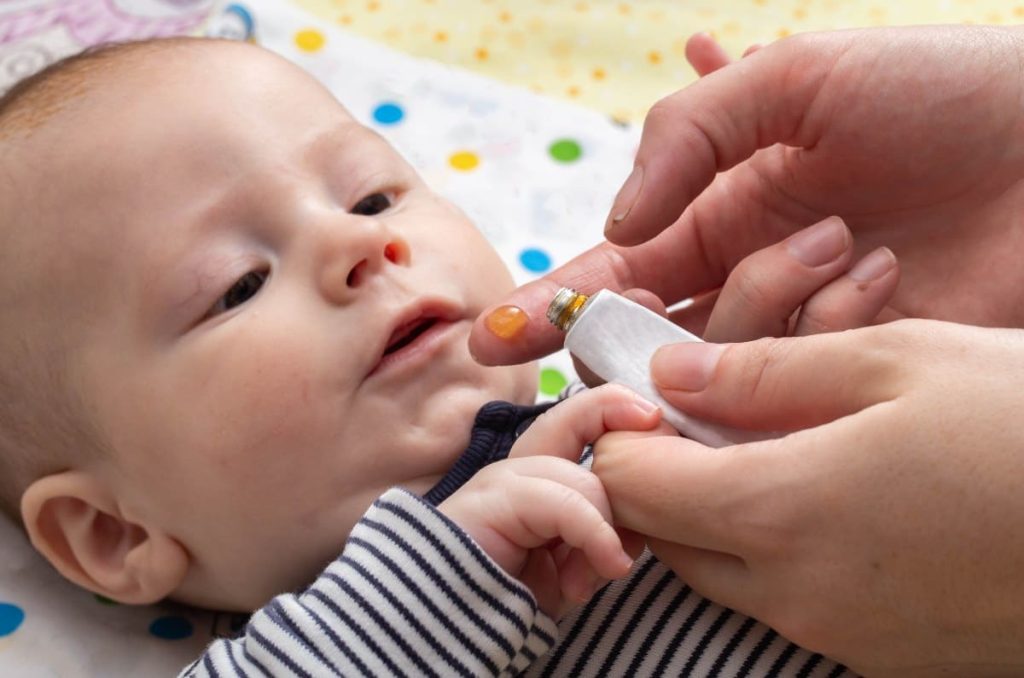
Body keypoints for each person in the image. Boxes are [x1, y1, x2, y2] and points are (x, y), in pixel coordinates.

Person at [0, 35, 904, 676]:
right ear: (117, 533)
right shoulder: (308, 653)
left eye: (372, 196)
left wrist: (812, 329)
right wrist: (451, 562)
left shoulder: (642, 394)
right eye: (237, 283)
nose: (359, 248)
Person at [469, 25, 1024, 677]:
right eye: (308, 258)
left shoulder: (604, 413)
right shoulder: (349, 613)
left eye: (373, 200)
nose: (359, 248)